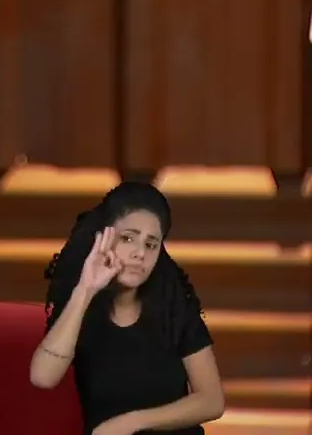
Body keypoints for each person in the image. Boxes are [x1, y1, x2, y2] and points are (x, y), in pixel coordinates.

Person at [29, 182, 225, 435]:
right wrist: (86, 289)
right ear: (104, 240)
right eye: (128, 238)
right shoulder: (82, 307)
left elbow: (211, 401)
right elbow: (42, 377)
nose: (139, 253)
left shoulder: (173, 304)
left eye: (151, 244)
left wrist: (131, 423)